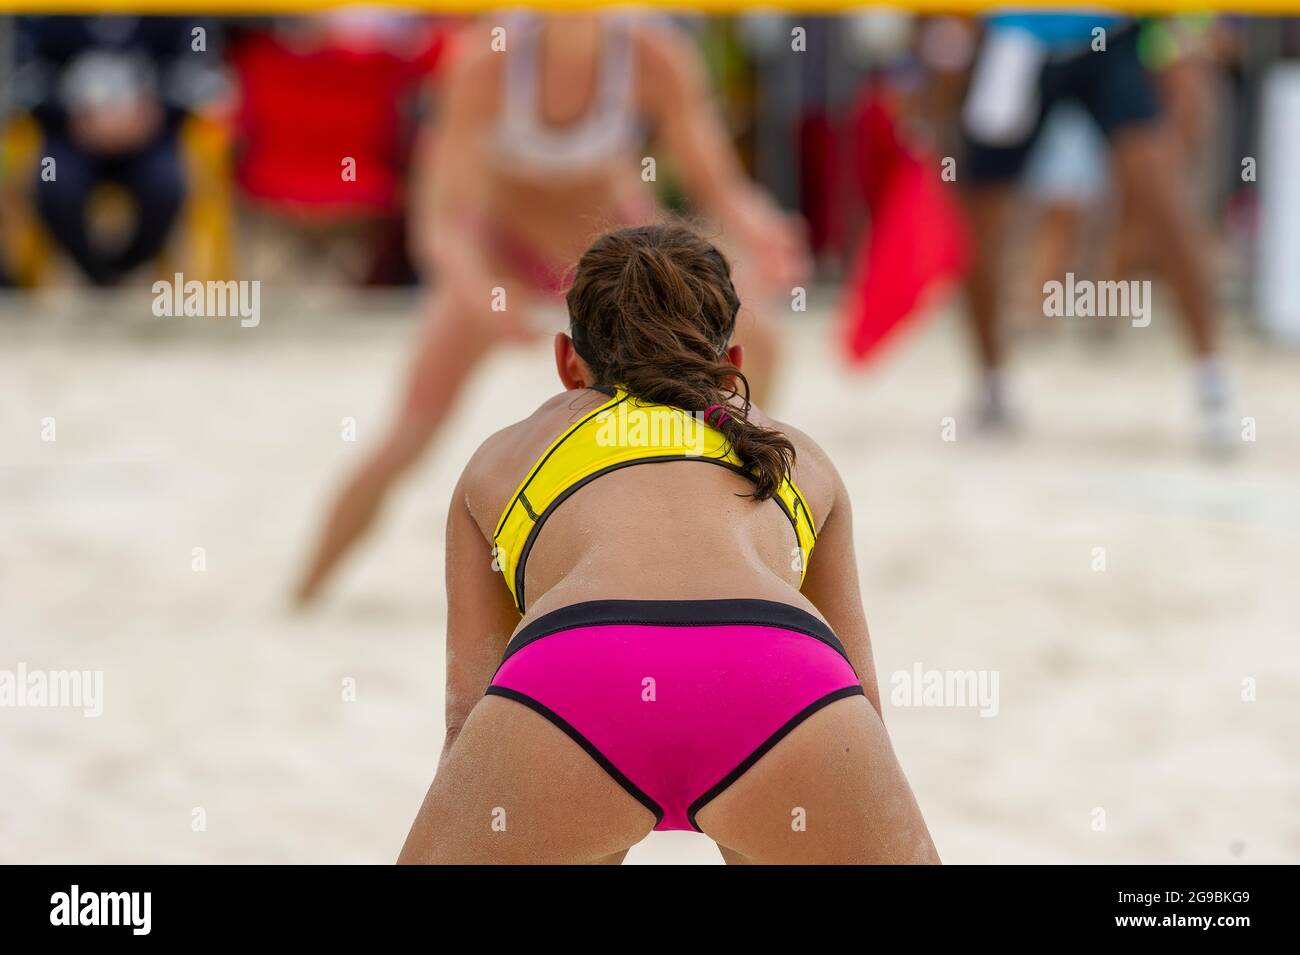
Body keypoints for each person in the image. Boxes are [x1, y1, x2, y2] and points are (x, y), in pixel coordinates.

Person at [397, 223, 937, 864]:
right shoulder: (801, 457)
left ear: (567, 361)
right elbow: (864, 701)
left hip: (577, 673)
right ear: (733, 365)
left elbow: (465, 717)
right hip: (781, 681)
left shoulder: (501, 457)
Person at [294, 12, 807, 605]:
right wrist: (478, 290)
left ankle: (736, 519)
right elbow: (439, 223)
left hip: (611, 258)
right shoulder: (485, 62)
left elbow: (716, 185)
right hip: (501, 250)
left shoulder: (652, 55)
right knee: (413, 426)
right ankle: (306, 592)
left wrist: (765, 232)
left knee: (757, 346)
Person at [959, 12, 1232, 450]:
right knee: (979, 223)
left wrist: (1182, 43)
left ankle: (1213, 380)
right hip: (1017, 38)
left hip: (1109, 32)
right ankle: (992, 384)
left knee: (1164, 205)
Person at [14, 15, 214, 285]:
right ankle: (95, 272)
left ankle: (126, 267)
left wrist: (154, 114)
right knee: (51, 183)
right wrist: (71, 116)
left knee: (168, 184)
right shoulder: (40, 14)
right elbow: (24, 76)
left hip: (151, 139)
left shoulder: (181, 16)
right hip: (68, 137)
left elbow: (198, 71)